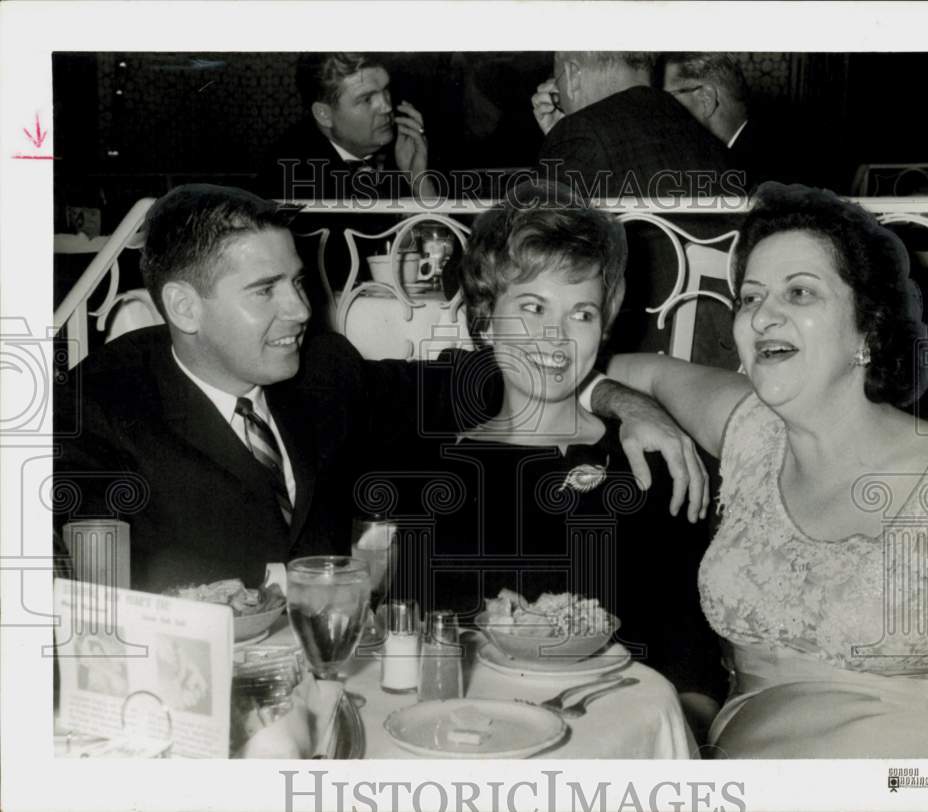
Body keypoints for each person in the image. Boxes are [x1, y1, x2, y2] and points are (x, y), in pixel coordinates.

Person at [54, 184, 709, 594]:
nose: (302, 309)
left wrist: (619, 400)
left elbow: (496, 375)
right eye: (266, 291)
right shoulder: (106, 406)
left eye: (298, 282)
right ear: (185, 308)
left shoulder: (324, 373)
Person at [607, 183, 928, 758]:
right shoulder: (750, 431)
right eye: (749, 298)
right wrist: (626, 405)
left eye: (800, 293)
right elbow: (595, 363)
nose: (764, 316)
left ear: (868, 328)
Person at [362, 181, 728, 711]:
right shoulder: (427, 467)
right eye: (533, 306)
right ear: (487, 318)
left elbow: (689, 665)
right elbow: (402, 644)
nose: (556, 337)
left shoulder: (648, 466)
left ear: (603, 326)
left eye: (581, 313)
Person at [530, 51, 739, 200]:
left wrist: (562, 137)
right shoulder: (706, 138)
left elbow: (534, 246)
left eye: (558, 80)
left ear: (573, 74)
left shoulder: (577, 134)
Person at [256, 52, 434, 202]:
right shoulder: (289, 174)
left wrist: (419, 180)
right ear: (324, 114)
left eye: (386, 89)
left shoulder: (410, 143)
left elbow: (444, 240)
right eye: (367, 99)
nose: (387, 106)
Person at [663, 53, 802, 189]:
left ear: (706, 99)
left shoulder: (763, 177)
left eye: (667, 98)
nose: (660, 109)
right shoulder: (760, 149)